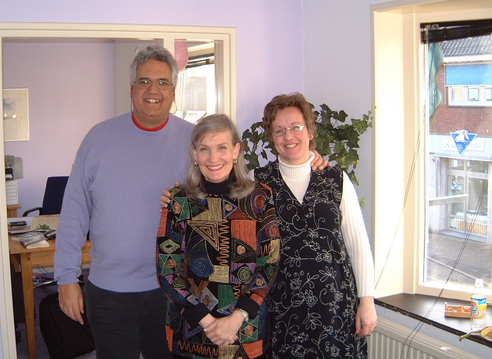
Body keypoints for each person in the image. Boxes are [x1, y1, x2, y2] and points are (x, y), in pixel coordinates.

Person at [54, 45, 194, 359]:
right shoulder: (98, 138)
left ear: (173, 92)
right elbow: (74, 210)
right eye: (144, 81)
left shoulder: (195, 141)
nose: (153, 90)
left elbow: (221, 201)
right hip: (109, 292)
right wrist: (66, 277)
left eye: (162, 82)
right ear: (132, 89)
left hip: (173, 287)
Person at [253, 92, 377, 359]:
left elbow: (357, 244)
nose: (288, 136)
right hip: (281, 310)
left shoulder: (336, 179)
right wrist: (177, 198)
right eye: (279, 130)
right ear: (272, 138)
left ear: (310, 131)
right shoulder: (257, 183)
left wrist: (367, 301)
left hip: (335, 307)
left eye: (296, 127)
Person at [157, 114, 280, 359]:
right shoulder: (178, 201)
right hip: (191, 332)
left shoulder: (259, 198)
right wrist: (206, 321)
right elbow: (167, 269)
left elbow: (270, 263)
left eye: (222, 147)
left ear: (236, 151)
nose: (213, 158)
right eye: (204, 149)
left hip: (244, 331)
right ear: (195, 154)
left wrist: (237, 318)